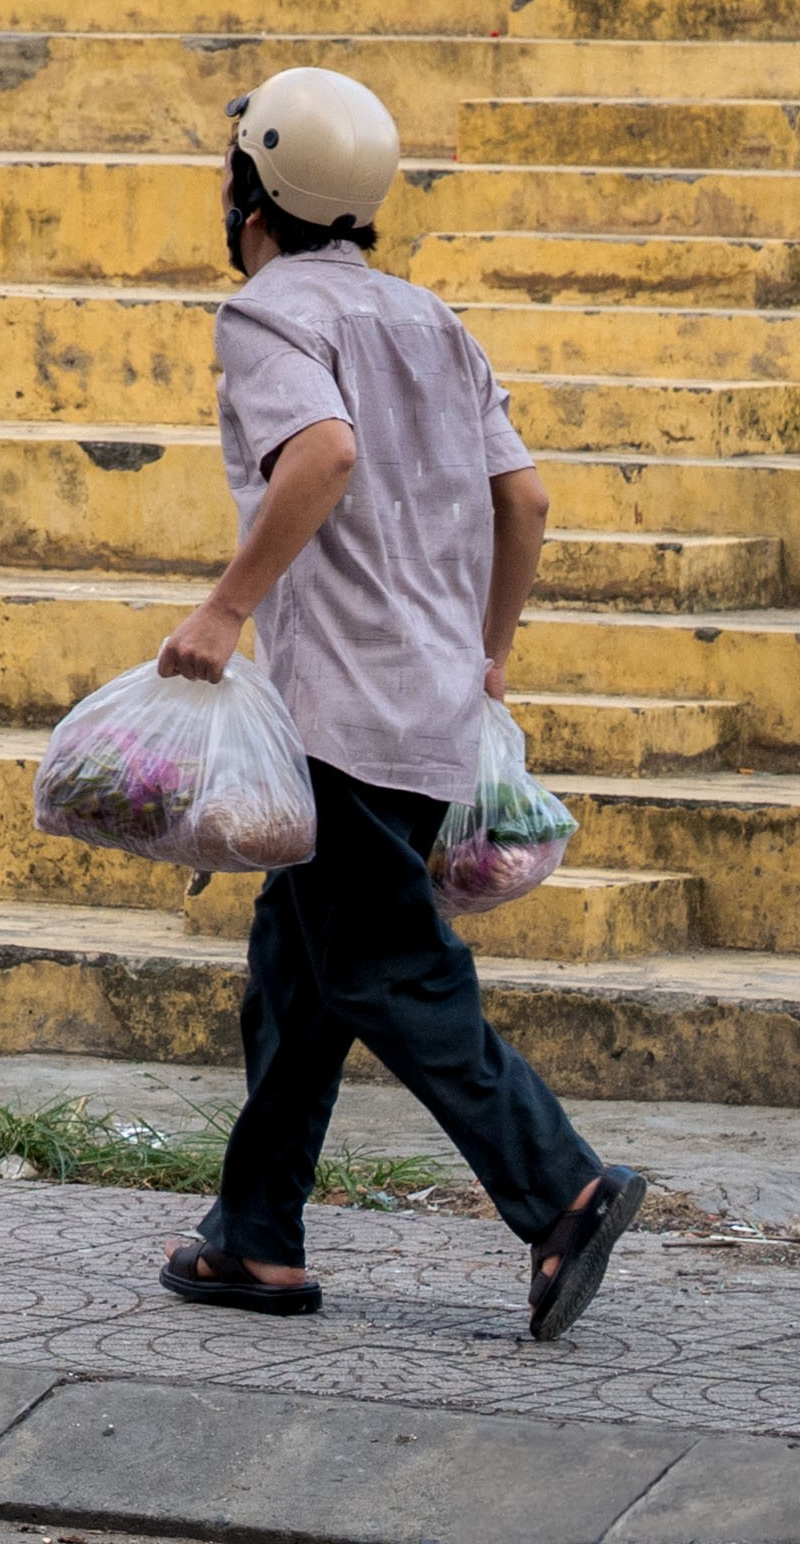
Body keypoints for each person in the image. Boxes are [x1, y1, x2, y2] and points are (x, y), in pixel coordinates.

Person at [153, 70, 649, 1344]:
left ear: (253, 193)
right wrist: (490, 657)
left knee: (390, 973)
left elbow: (320, 456)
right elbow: (524, 501)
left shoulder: (269, 315)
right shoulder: (428, 318)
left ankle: (563, 1190)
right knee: (295, 979)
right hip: (427, 710)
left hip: (340, 720)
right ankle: (254, 1240)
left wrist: (224, 610)